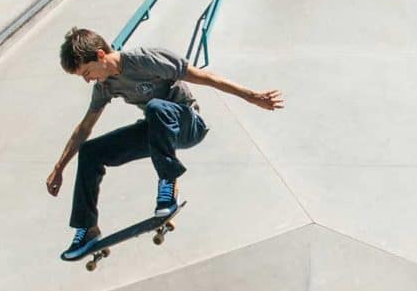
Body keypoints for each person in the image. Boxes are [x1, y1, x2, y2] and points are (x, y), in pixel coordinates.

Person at [47, 28, 284, 259]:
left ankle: (168, 185)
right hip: (157, 131)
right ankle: (87, 229)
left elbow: (204, 76)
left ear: (101, 55)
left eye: (87, 72)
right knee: (91, 151)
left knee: (155, 107)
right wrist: (59, 168)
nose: (88, 81)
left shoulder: (145, 59)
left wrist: (251, 96)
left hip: (188, 124)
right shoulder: (105, 86)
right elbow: (84, 128)